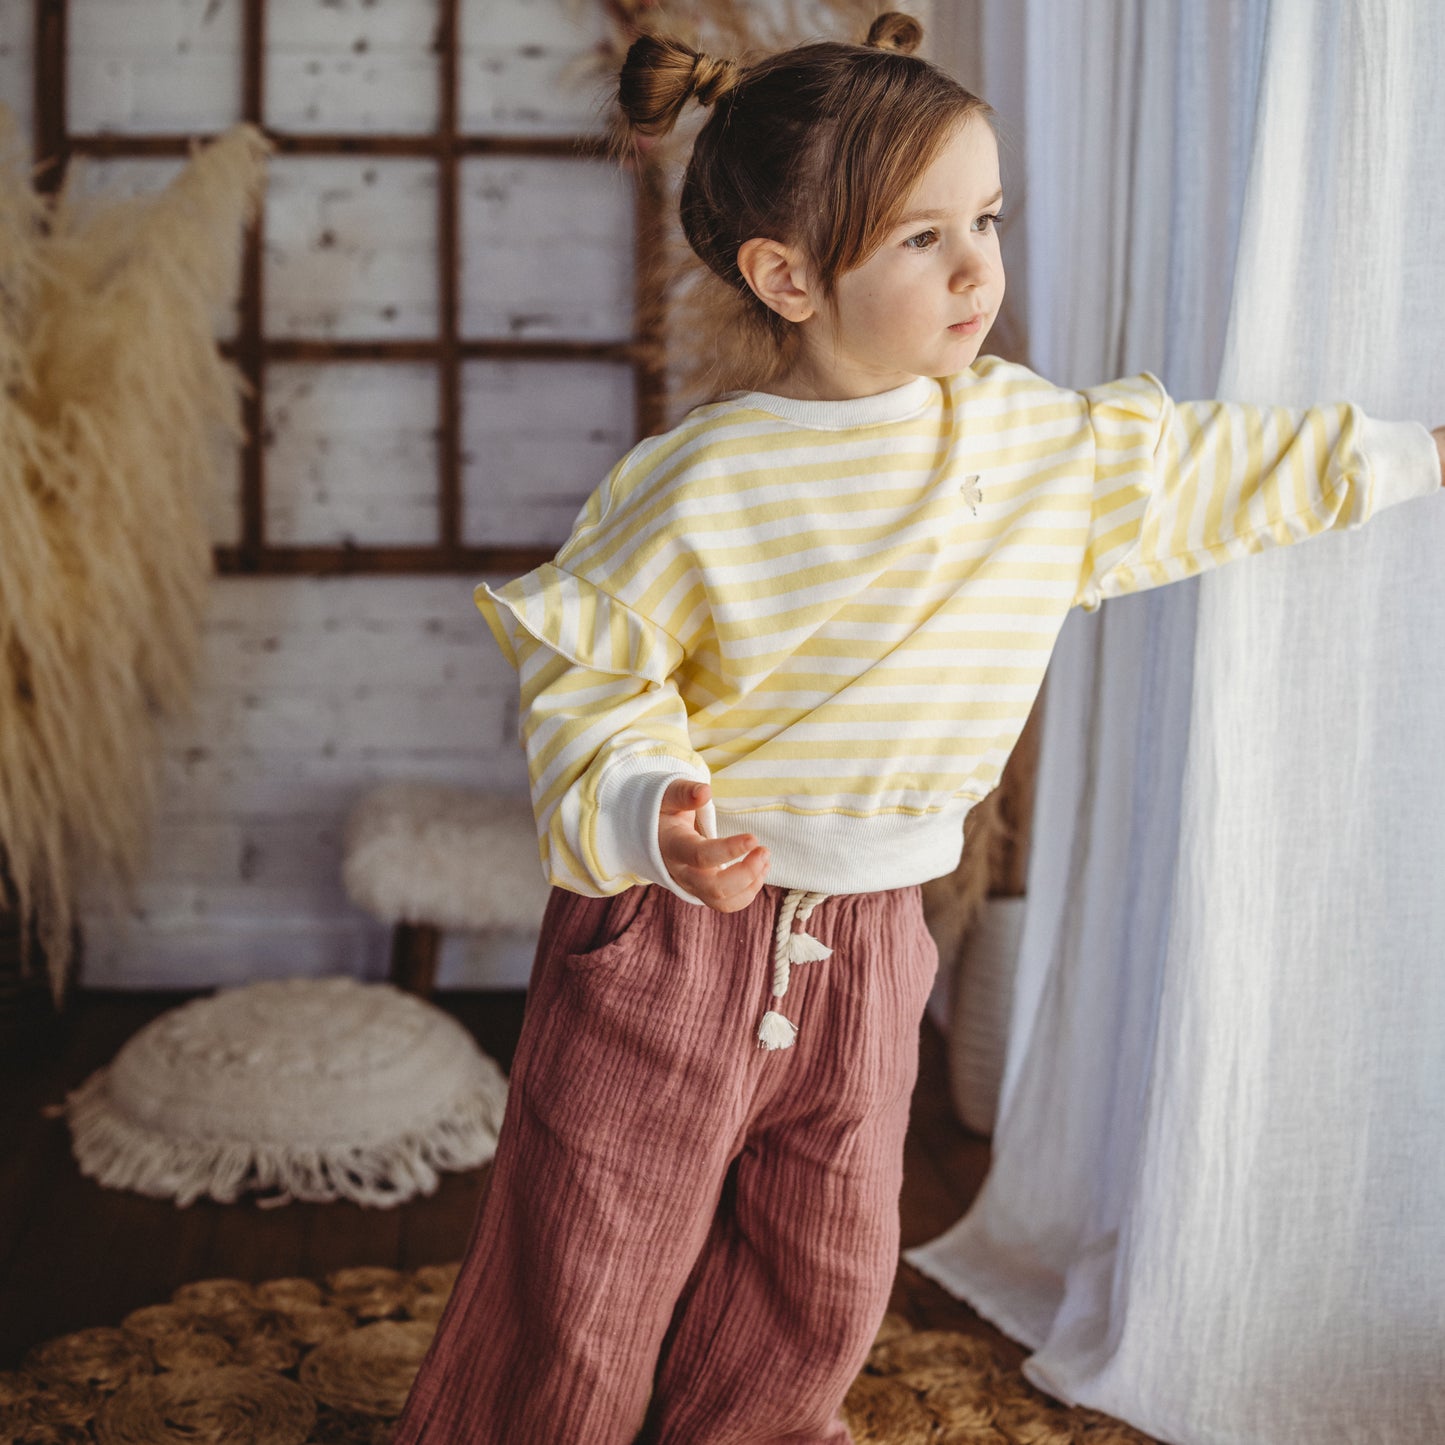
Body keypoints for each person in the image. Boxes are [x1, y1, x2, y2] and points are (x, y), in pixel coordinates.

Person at [391, 13, 1445, 1443]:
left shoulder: (1027, 450)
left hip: (878, 935)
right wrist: (652, 807)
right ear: (787, 275)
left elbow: (1211, 468)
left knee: (825, 1263)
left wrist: (1407, 454)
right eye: (920, 239)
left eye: (987, 221)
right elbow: (587, 670)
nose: (975, 269)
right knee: (591, 1253)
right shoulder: (699, 477)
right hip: (671, 934)